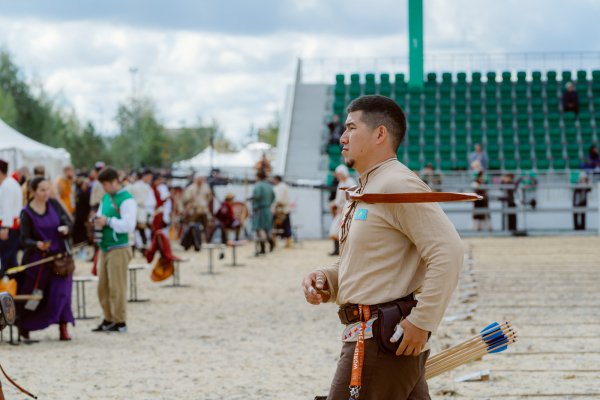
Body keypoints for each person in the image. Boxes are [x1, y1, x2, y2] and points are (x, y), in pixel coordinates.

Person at [301, 95, 464, 400]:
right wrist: (327, 278)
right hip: (375, 336)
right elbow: (369, 261)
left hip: (380, 339)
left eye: (351, 127)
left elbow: (448, 251)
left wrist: (422, 321)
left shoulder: (396, 183)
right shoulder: (368, 186)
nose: (342, 136)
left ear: (380, 134)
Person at [18, 176, 74, 340]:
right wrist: (36, 244)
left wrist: (66, 229)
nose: (46, 193)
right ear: (33, 191)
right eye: (42, 190)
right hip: (38, 261)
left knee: (62, 293)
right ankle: (26, 324)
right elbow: (23, 239)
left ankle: (63, 328)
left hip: (60, 260)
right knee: (33, 294)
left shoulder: (54, 204)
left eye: (47, 189)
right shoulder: (26, 213)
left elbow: (68, 222)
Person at [91, 167, 136, 333]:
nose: (103, 187)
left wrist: (108, 221)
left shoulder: (127, 200)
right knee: (102, 288)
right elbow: (102, 214)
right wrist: (97, 219)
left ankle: (120, 321)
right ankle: (109, 318)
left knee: (117, 287)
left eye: (105, 184)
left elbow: (129, 225)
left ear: (114, 182)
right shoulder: (106, 197)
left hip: (119, 248)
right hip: (104, 247)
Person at [0, 159, 23, 277]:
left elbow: (7, 207)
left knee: (6, 258)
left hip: (8, 226)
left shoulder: (6, 186)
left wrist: (5, 227)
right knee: (10, 258)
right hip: (12, 225)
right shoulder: (11, 183)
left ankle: (11, 285)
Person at [328, 165, 356, 256]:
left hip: (348, 211)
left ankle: (346, 251)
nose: (338, 176)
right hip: (340, 210)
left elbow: (352, 198)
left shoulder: (350, 182)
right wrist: (335, 203)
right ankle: (337, 250)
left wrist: (343, 207)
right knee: (335, 230)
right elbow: (339, 198)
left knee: (345, 231)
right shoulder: (341, 183)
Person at [128, 170, 153, 252]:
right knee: (141, 231)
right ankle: (143, 250)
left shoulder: (132, 186)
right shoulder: (146, 186)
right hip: (141, 210)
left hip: (135, 210)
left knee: (134, 231)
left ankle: (133, 250)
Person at [251, 170, 275, 255]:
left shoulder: (258, 186)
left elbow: (257, 196)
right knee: (267, 228)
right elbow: (273, 197)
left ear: (258, 177)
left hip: (260, 210)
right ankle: (271, 242)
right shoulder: (269, 186)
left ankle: (262, 249)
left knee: (259, 229)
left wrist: (252, 200)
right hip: (268, 209)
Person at [182, 173, 212, 238]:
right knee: (191, 223)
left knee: (205, 224)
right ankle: (188, 237)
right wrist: (191, 197)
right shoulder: (191, 188)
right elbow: (185, 198)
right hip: (194, 209)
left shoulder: (205, 187)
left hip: (203, 209)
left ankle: (206, 237)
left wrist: (208, 195)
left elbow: (209, 197)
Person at [272, 175, 292, 249]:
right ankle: (286, 242)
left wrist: (275, 207)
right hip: (282, 209)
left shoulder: (281, 187)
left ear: (277, 180)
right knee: (284, 226)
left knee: (281, 226)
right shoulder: (283, 186)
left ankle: (276, 242)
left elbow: (279, 199)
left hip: (281, 210)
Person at [72, 177, 91, 246]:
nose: (85, 185)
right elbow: (89, 204)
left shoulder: (77, 193)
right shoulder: (83, 194)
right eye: (84, 184)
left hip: (78, 215)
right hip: (82, 216)